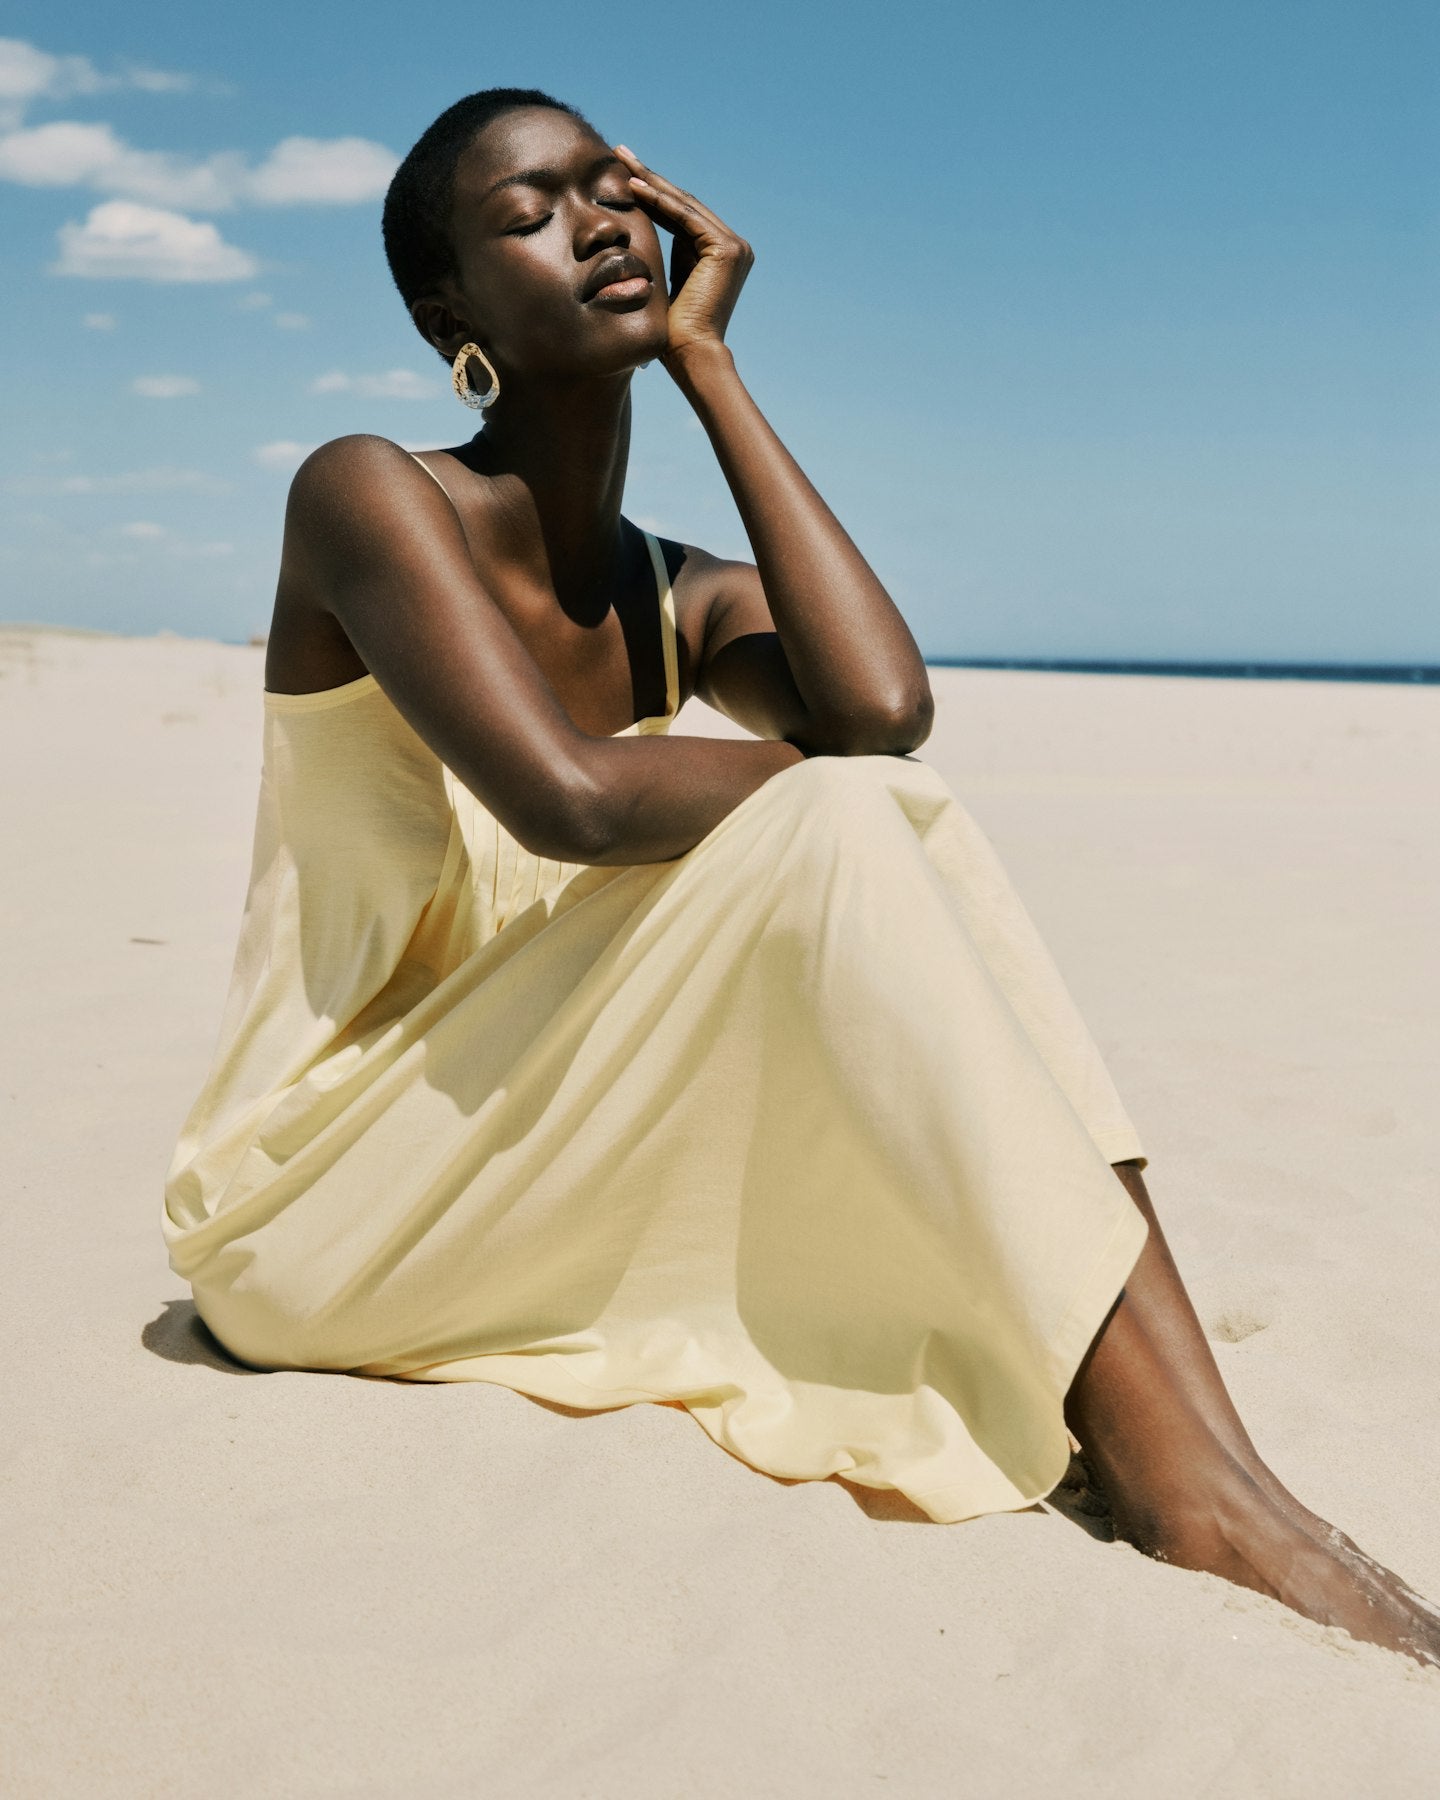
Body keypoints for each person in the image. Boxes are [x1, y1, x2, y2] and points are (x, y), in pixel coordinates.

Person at [162, 87, 1440, 1669]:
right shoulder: (370, 493)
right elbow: (567, 798)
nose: (599, 222)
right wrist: (822, 803)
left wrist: (710, 368)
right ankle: (1198, 1482)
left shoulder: (667, 588)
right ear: (450, 315)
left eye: (613, 187)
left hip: (506, 1152)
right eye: (533, 210)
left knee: (868, 800)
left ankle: (1214, 1468)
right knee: (848, 821)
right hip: (327, 1204)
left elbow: (885, 708)